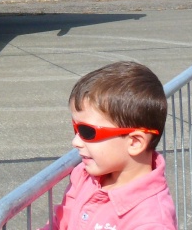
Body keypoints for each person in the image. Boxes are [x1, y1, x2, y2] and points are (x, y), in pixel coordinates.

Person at [41, 61, 177, 229]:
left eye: (87, 131)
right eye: (75, 128)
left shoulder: (150, 221)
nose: (75, 142)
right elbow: (60, 223)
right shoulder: (83, 175)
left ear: (134, 142)